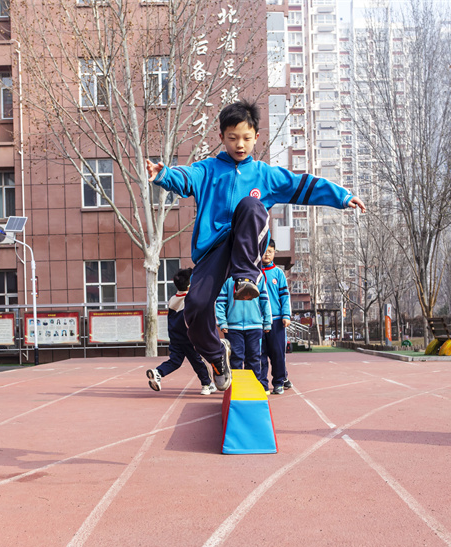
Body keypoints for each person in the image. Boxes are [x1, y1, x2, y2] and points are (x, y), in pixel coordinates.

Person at [146, 100, 365, 391]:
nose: (240, 145)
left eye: (247, 138)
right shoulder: (209, 169)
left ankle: (246, 279)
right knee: (195, 307)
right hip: (214, 250)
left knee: (251, 205)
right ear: (221, 137)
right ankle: (216, 358)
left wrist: (340, 196)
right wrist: (164, 175)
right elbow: (187, 177)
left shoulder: (265, 174)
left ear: (256, 138)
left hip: (247, 245)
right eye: (233, 138)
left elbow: (302, 185)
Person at [146, 268, 216, 395]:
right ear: (190, 285)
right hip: (189, 338)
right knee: (198, 361)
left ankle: (158, 372)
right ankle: (207, 385)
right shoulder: (191, 300)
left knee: (175, 361)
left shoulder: (172, 299)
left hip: (175, 338)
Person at [216, 275, 271, 385]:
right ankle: (237, 387)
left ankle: (254, 386)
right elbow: (220, 302)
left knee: (254, 358)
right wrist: (222, 322)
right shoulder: (228, 278)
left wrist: (267, 321)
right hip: (233, 327)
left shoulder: (258, 276)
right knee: (235, 358)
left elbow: (265, 300)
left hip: (255, 326)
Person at [258, 239, 292, 394]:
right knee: (260, 354)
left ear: (274, 253)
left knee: (277, 353)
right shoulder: (254, 272)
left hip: (277, 320)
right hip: (258, 321)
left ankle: (278, 382)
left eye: (270, 251)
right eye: (264, 251)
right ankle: (262, 384)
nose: (266, 254)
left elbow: (285, 296)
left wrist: (286, 315)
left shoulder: (278, 273)